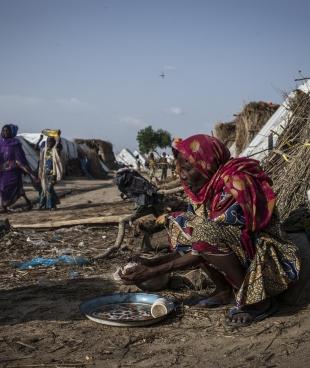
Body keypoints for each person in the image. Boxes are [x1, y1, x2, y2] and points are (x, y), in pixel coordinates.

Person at [120, 134, 301, 326]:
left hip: (263, 255)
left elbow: (204, 246)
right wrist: (151, 262)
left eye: (188, 168)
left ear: (206, 163)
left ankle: (257, 303)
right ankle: (224, 290)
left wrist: (153, 271)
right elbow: (194, 241)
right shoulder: (208, 186)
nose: (181, 174)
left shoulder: (235, 183)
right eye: (180, 167)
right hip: (235, 249)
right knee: (180, 222)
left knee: (205, 234)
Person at [0, 124, 36, 212]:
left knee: (9, 188)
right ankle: (8, 205)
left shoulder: (15, 144)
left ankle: (7, 206)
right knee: (3, 188)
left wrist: (26, 169)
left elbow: (20, 158)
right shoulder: (0, 143)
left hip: (13, 171)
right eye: (3, 130)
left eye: (7, 130)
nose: (5, 132)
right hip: (2, 171)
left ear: (11, 132)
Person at [37, 135, 63, 210]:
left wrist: (58, 140)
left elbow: (60, 147)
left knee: (49, 188)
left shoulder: (56, 150)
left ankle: (51, 206)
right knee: (44, 189)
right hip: (45, 173)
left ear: (54, 142)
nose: (49, 143)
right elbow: (37, 148)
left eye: (51, 141)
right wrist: (40, 139)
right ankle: (43, 204)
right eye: (48, 141)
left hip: (53, 174)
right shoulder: (44, 150)